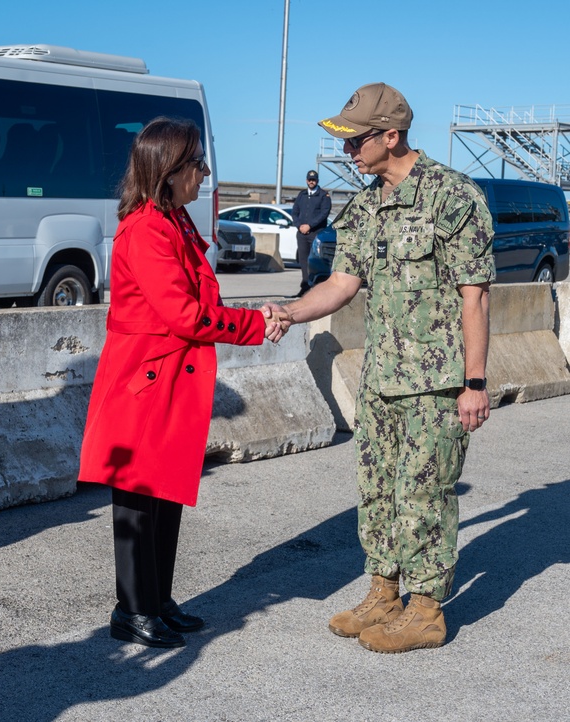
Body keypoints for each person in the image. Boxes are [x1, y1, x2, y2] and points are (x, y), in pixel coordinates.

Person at [266, 83, 494, 653]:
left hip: (435, 384)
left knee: (425, 492)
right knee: (376, 490)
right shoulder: (366, 206)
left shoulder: (453, 197)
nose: (348, 150)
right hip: (382, 380)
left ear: (391, 136)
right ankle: (384, 592)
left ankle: (425, 609)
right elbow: (342, 284)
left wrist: (475, 383)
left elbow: (476, 297)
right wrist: (289, 312)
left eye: (357, 139)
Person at [78, 117, 282, 649]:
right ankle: (133, 607)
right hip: (146, 379)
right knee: (138, 499)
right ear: (168, 170)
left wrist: (252, 317)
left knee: (163, 492)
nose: (204, 174)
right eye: (197, 164)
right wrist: (256, 325)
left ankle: (157, 598)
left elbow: (201, 302)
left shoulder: (174, 219)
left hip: (166, 377)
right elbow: (184, 314)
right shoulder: (147, 227)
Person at [289, 169, 331, 295]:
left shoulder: (323, 196)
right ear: (306, 180)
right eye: (309, 179)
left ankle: (318, 288)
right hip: (302, 234)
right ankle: (305, 286)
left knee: (316, 261)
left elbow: (324, 213)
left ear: (317, 181)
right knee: (303, 261)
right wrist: (299, 226)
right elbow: (295, 212)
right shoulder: (301, 195)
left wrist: (310, 225)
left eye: (313, 180)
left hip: (316, 233)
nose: (311, 182)